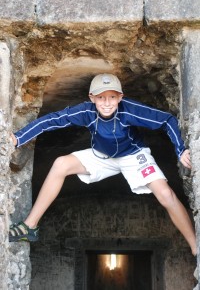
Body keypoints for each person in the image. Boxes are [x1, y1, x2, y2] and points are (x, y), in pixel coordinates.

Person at [9, 73, 196, 256]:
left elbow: (167, 120)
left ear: (120, 97)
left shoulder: (129, 110)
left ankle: (196, 248)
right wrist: (18, 138)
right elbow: (51, 120)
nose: (107, 103)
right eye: (101, 97)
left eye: (112, 97)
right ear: (92, 98)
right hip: (101, 156)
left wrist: (180, 150)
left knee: (165, 195)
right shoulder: (85, 111)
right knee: (60, 164)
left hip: (134, 156)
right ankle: (29, 227)